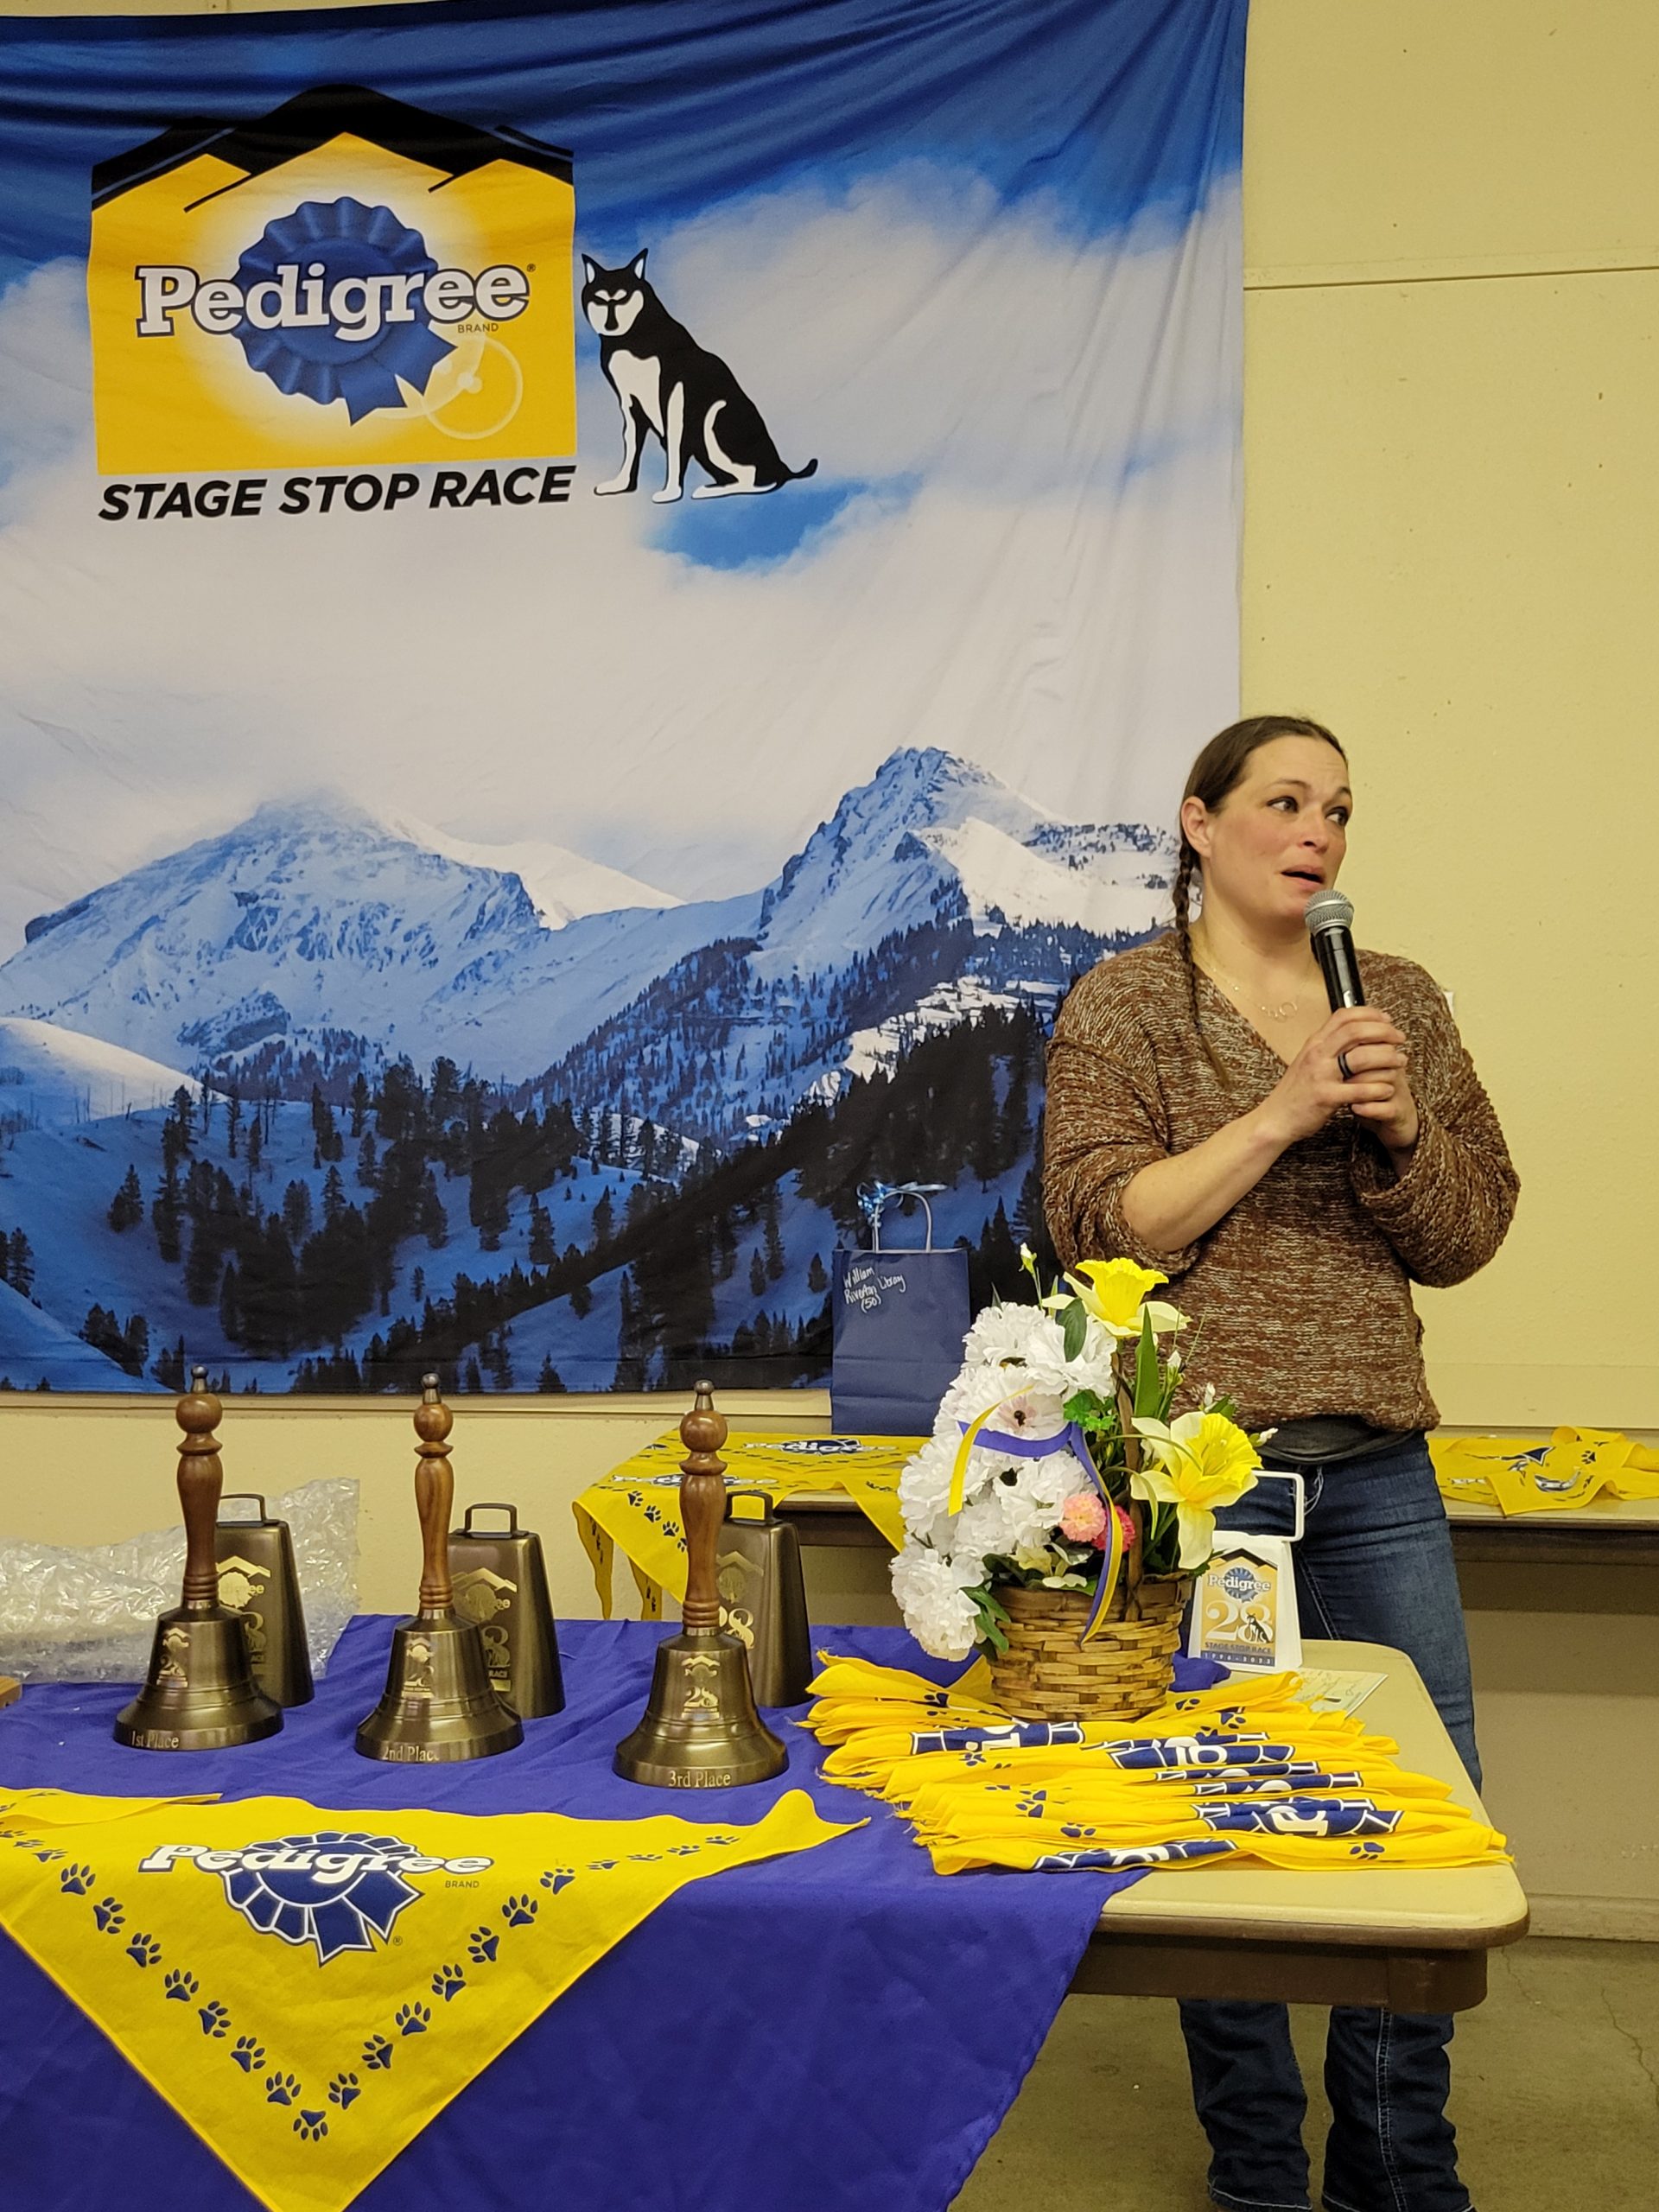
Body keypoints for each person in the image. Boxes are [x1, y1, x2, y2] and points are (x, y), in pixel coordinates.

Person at [1043, 714, 1518, 2212]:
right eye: (1287, 801)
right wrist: (1285, 1110)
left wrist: (1402, 1128)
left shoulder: (1397, 998)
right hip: (1201, 1490)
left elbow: (1469, 1234)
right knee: (1217, 1824)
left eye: (1340, 810)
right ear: (1200, 822)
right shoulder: (1126, 1005)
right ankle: (1255, 2173)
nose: (1320, 833)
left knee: (1424, 1818)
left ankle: (1397, 2168)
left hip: (1374, 1477)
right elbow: (1102, 1229)